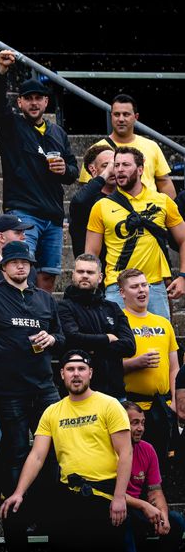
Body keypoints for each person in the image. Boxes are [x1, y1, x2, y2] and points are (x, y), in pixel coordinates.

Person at [0, 350, 131, 552]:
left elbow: (126, 452)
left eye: (81, 369)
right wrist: (19, 492)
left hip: (103, 492)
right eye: (70, 369)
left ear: (90, 373)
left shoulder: (109, 405)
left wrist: (119, 497)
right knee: (13, 513)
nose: (76, 374)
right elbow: (37, 456)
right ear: (61, 374)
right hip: (68, 491)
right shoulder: (53, 411)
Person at [0, 240, 63, 542]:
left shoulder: (46, 300)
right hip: (6, 389)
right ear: (3, 266)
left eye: (26, 262)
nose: (21, 266)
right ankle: (17, 520)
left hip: (44, 386)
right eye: (14, 262)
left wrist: (52, 339)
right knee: (17, 453)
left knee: (56, 450)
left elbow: (61, 335)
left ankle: (48, 515)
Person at [0, 50, 79, 292]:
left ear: (46, 103)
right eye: (28, 98)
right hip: (24, 212)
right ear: (19, 102)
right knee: (22, 270)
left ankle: (42, 317)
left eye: (38, 98)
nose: (33, 102)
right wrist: (1, 71)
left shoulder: (58, 133)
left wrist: (65, 170)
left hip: (52, 215)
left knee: (48, 276)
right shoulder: (11, 126)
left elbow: (74, 171)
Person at [85, 146, 185, 321]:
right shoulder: (101, 206)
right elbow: (91, 253)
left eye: (125, 165)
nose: (120, 170)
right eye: (116, 165)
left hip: (153, 286)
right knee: (118, 345)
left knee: (159, 343)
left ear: (140, 169)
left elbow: (183, 239)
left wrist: (183, 276)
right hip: (117, 287)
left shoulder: (162, 201)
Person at [121, 401, 185, 552]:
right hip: (117, 511)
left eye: (142, 423)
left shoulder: (147, 449)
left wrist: (162, 514)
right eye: (134, 423)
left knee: (176, 520)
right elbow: (109, 493)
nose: (140, 428)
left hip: (139, 510)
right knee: (124, 519)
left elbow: (155, 491)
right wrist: (145, 507)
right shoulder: (108, 450)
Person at [118, 268, 178, 457]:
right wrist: (135, 363)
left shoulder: (163, 323)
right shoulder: (118, 322)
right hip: (132, 406)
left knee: (160, 463)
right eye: (134, 286)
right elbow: (107, 367)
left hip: (163, 405)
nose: (141, 290)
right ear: (122, 292)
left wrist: (175, 401)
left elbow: (174, 366)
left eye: (144, 285)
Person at [57, 253, 135, 400]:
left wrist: (92, 347)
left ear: (100, 277)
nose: (85, 276)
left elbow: (130, 346)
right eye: (80, 272)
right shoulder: (63, 307)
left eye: (90, 272)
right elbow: (72, 339)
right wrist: (107, 338)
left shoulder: (112, 308)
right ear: (73, 275)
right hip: (79, 395)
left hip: (115, 393)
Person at [78, 95, 174, 196]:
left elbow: (164, 181)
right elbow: (86, 188)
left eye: (126, 114)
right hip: (111, 208)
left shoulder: (152, 146)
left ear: (136, 117)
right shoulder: (96, 150)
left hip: (149, 208)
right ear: (111, 116)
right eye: (116, 114)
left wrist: (171, 209)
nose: (121, 119)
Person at [70, 145, 115, 257]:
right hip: (92, 269)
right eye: (106, 165)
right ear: (93, 169)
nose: (112, 170)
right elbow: (79, 202)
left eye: (115, 165)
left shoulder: (125, 196)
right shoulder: (87, 198)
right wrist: (104, 175)